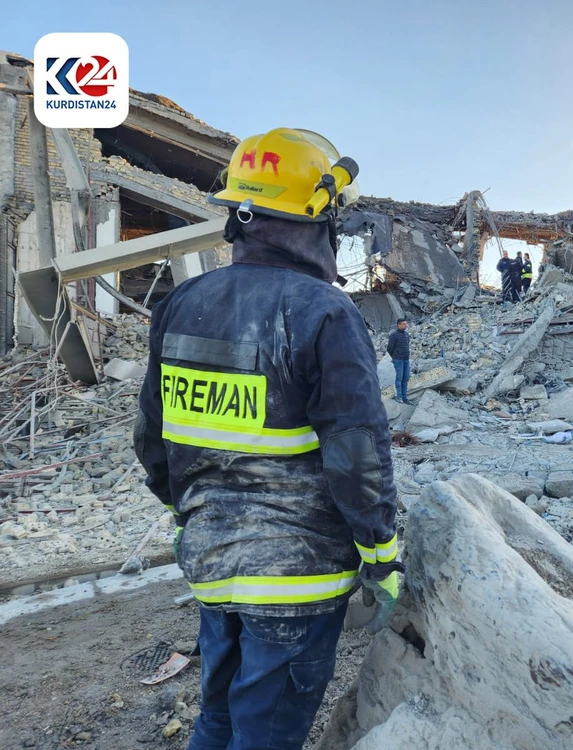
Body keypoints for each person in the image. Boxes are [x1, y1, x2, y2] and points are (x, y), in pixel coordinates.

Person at [133, 128, 402, 750]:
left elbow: (153, 437)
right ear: (319, 220)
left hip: (210, 564)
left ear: (240, 218)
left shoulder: (182, 304)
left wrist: (183, 511)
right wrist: (380, 549)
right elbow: (355, 453)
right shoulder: (325, 312)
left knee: (219, 716)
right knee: (266, 734)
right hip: (295, 578)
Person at [387, 317, 412, 404]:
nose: (406, 325)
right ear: (399, 325)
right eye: (404, 324)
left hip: (406, 359)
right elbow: (389, 348)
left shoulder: (406, 334)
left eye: (406, 323)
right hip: (398, 360)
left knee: (405, 378)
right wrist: (394, 357)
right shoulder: (393, 335)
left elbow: (407, 345)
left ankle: (405, 398)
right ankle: (399, 397)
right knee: (399, 378)